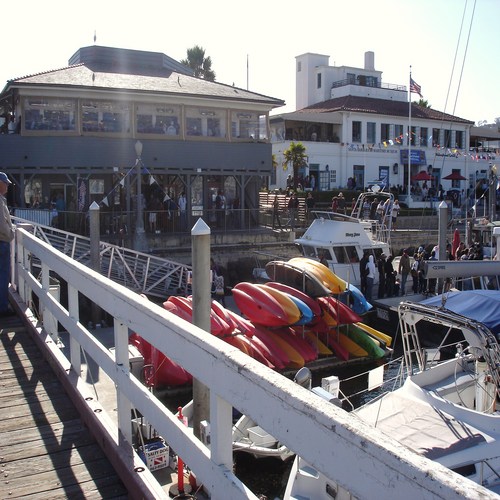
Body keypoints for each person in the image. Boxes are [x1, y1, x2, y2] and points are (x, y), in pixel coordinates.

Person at [0, 172, 15, 316]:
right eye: (5, 183)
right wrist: (11, 234)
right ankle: (2, 307)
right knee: (3, 274)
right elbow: (1, 225)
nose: (7, 186)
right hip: (2, 242)